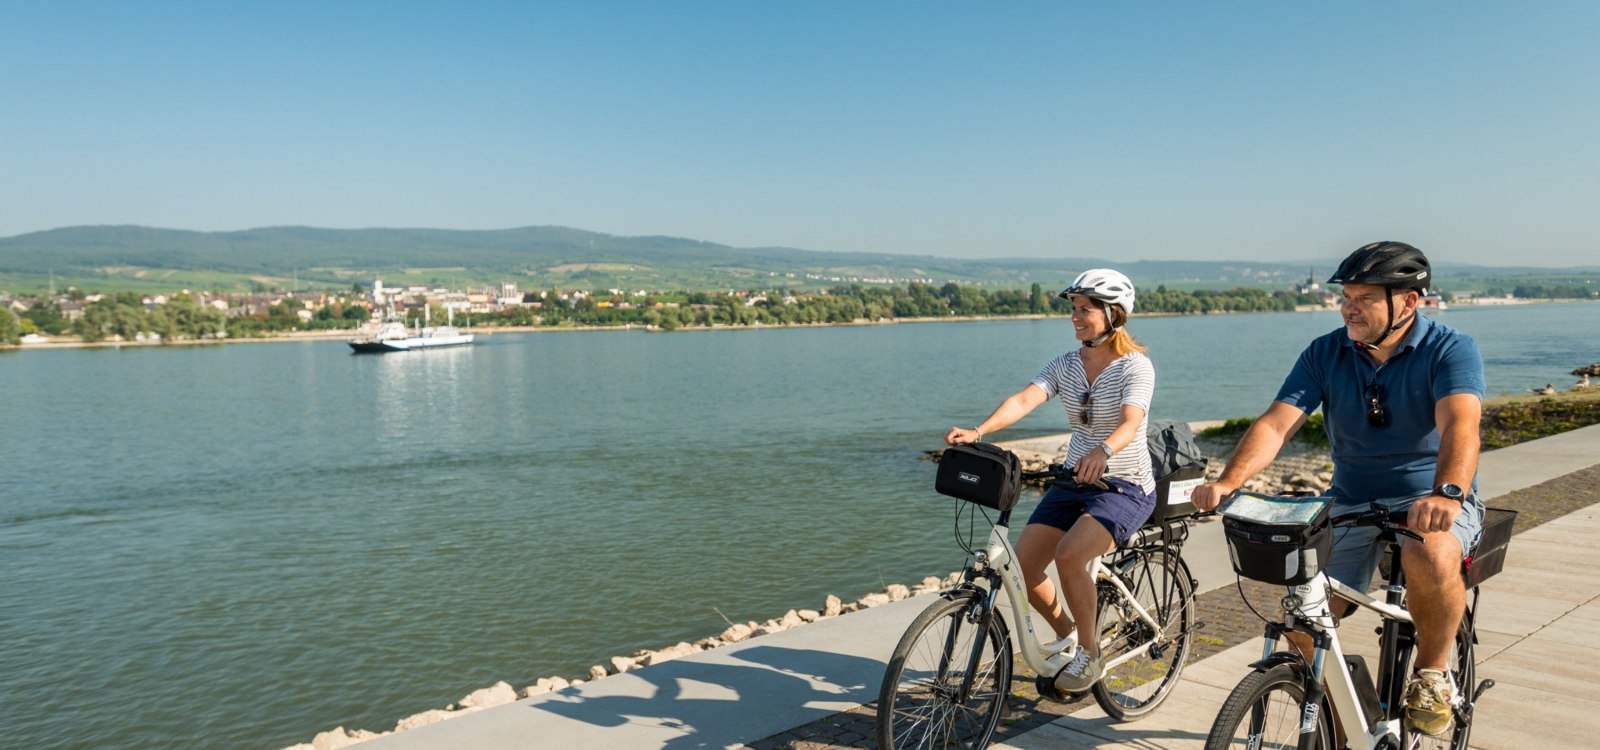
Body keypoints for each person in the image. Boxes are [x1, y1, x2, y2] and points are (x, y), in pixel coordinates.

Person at [1191, 241, 1485, 738]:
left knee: (1431, 555)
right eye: (1345, 296)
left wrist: (1449, 491)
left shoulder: (1450, 348)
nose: (1348, 307)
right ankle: (1338, 719)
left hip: (1431, 501)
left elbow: (1461, 424)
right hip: (1349, 501)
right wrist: (1227, 482)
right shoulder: (1325, 352)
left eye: (1363, 297)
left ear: (1408, 302)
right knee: (1303, 621)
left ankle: (1433, 674)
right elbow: (1277, 425)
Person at [944, 268, 1157, 694]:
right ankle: (1074, 634)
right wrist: (980, 432)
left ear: (1114, 314)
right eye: (1073, 310)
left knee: (1069, 556)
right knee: (1021, 567)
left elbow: (1132, 421)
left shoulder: (1137, 367)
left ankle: (1091, 655)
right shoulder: (1067, 364)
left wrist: (1103, 452)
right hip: (1073, 479)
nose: (1075, 318)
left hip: (1124, 485)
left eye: (1086, 310)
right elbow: (1027, 398)